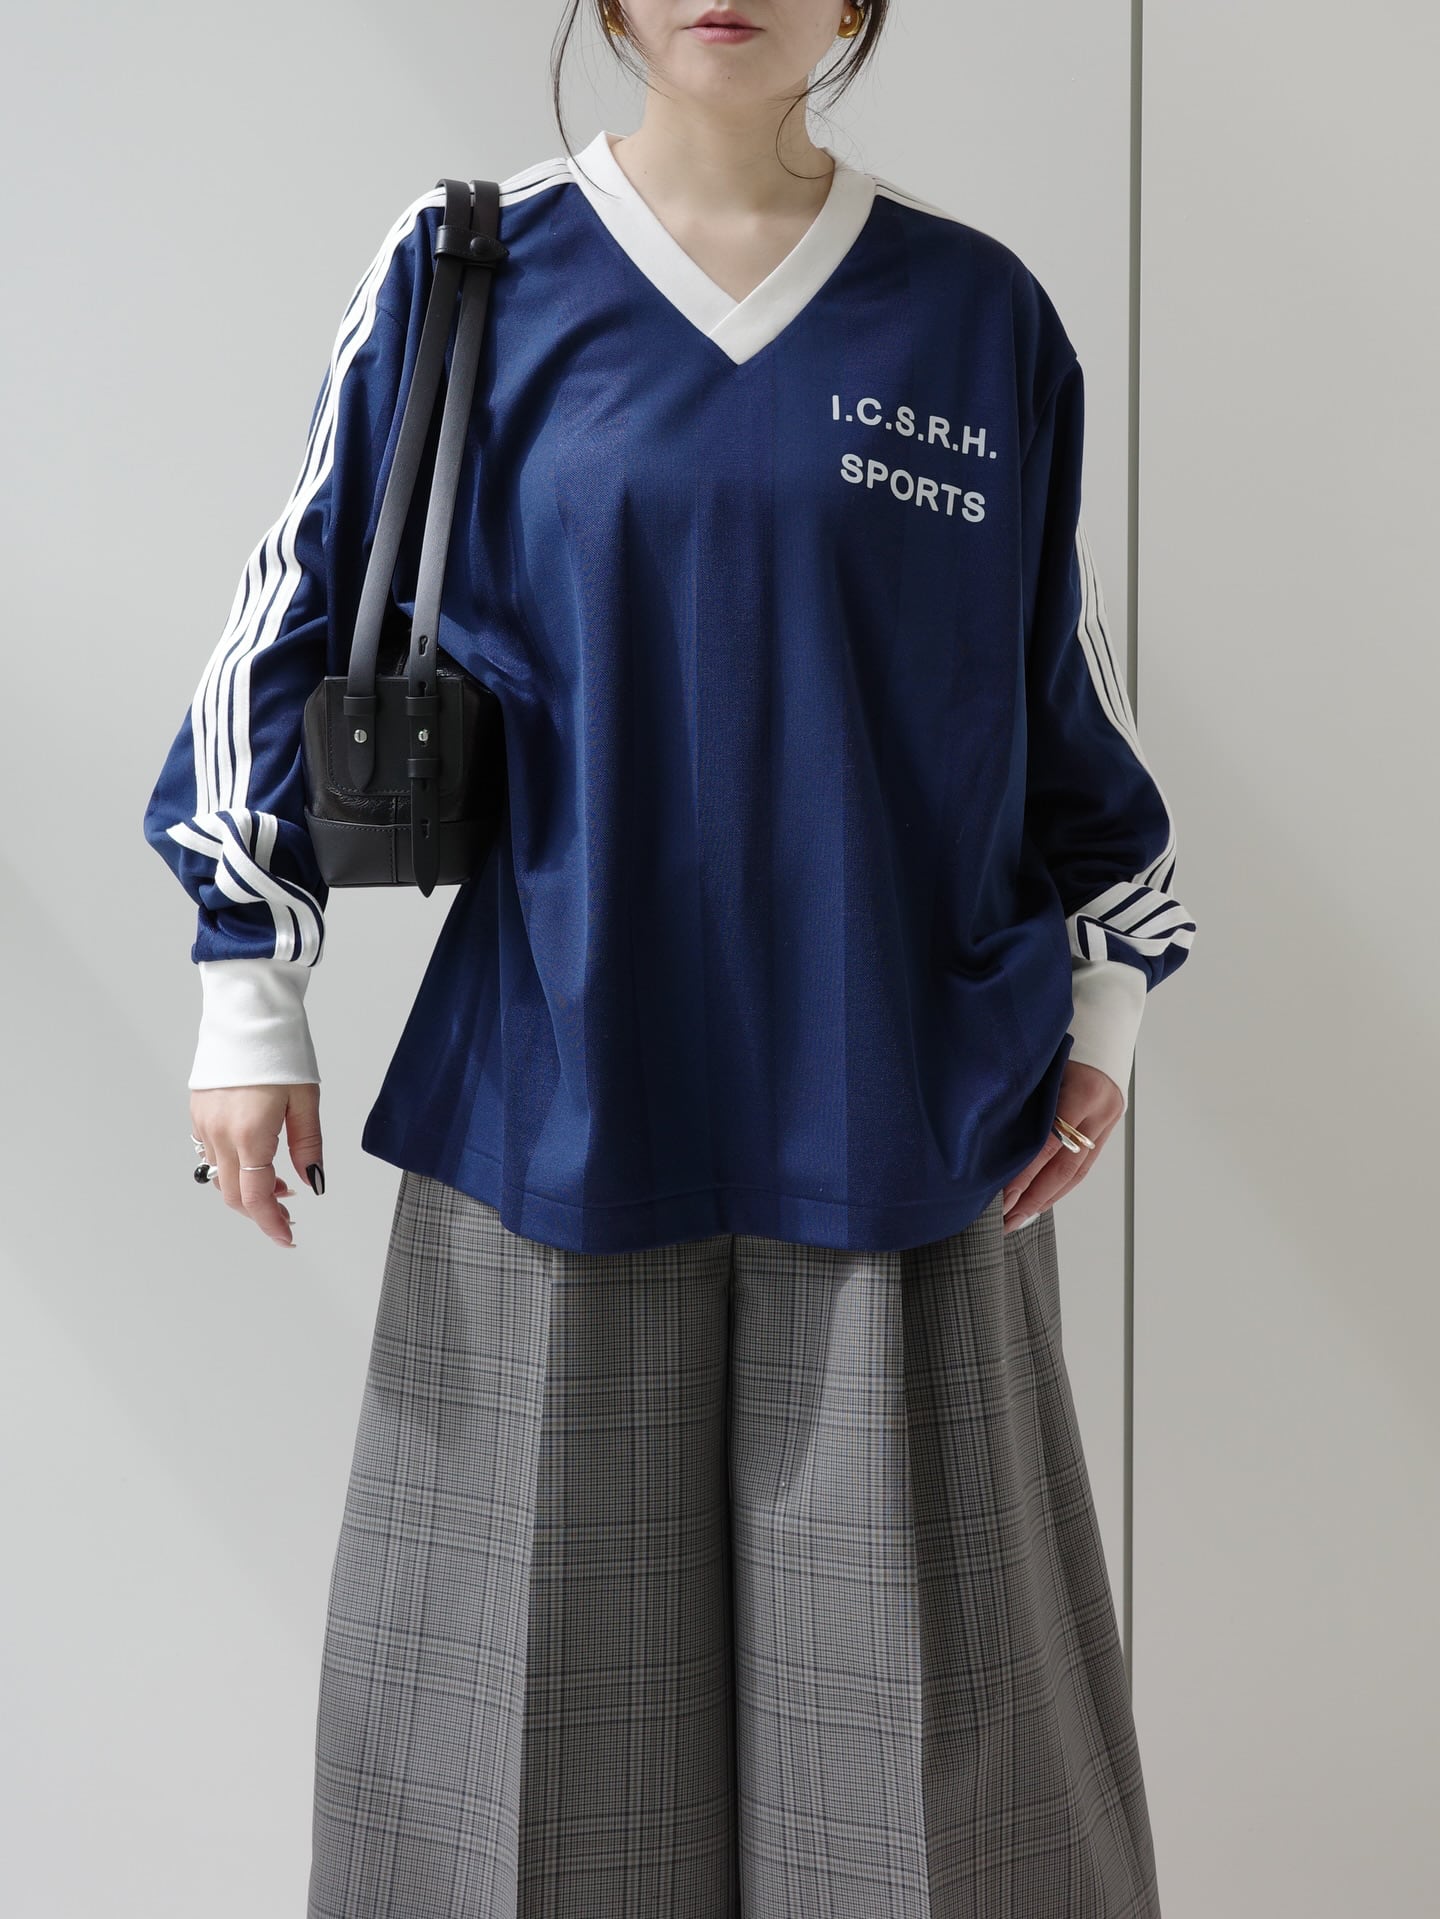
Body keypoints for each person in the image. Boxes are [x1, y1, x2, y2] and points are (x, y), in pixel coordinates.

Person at [142, 4, 1195, 1912]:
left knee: (934, 1786)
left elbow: (1061, 686)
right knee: (518, 1759)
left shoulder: (978, 317)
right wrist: (249, 988)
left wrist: (1108, 994)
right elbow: (286, 624)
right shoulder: (467, 271)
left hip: (900, 1094)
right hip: (558, 1085)